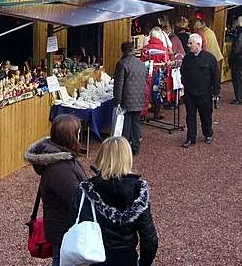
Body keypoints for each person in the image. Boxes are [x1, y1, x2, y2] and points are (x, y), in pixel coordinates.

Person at [70, 136, 158, 266]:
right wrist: (144, 263)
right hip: (126, 259)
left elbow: (73, 224)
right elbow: (149, 238)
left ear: (101, 157)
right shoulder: (138, 191)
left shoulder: (86, 189)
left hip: (92, 258)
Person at [25, 115, 87, 266]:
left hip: (61, 228)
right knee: (61, 260)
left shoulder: (61, 160)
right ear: (70, 137)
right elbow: (77, 200)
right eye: (78, 133)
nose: (80, 136)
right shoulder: (60, 169)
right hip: (64, 231)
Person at [180, 33, 220, 148]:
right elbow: (183, 72)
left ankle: (208, 134)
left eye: (190, 43)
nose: (188, 45)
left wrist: (215, 91)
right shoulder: (187, 58)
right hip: (190, 93)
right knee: (190, 116)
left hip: (205, 93)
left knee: (206, 115)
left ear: (198, 44)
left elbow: (215, 76)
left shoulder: (210, 58)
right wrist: (184, 84)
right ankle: (190, 138)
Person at [114, 41, 148, 155]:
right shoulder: (141, 64)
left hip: (126, 100)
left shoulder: (122, 64)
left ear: (123, 50)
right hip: (139, 99)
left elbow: (118, 85)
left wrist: (117, 101)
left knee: (126, 126)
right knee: (136, 124)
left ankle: (125, 150)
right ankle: (136, 148)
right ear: (133, 50)